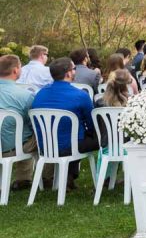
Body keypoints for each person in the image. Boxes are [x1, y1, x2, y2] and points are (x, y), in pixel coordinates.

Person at [31, 57, 99, 188]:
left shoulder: (40, 93)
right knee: (95, 138)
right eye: (74, 69)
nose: (75, 71)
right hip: (69, 146)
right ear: (68, 73)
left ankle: (68, 177)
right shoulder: (80, 95)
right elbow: (92, 124)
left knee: (75, 136)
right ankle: (74, 177)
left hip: (45, 146)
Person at [0, 55, 38, 191]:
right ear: (16, 70)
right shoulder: (25, 96)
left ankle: (23, 178)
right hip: (13, 148)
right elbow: (33, 122)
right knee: (41, 133)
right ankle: (45, 178)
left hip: (9, 143)